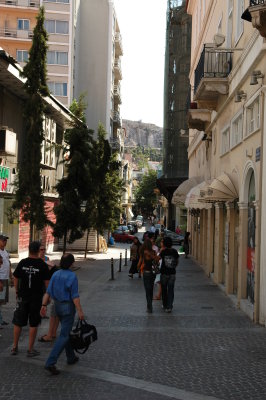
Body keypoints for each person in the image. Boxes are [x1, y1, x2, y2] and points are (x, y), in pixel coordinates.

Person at [40, 253, 85, 375]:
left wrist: (43, 306)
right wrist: (80, 311)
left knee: (66, 332)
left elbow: (48, 292)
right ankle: (50, 362)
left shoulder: (55, 274)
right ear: (71, 263)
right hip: (68, 308)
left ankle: (71, 357)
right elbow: (75, 297)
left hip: (57, 306)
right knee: (64, 335)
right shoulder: (72, 276)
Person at [11, 241, 50, 356]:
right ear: (38, 250)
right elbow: (47, 283)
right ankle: (30, 349)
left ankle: (14, 347)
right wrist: (47, 297)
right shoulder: (42, 264)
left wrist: (17, 291)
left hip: (23, 297)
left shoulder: (23, 262)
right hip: (36, 298)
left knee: (18, 322)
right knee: (33, 323)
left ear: (29, 250)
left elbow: (15, 277)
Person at [38, 245, 59, 343]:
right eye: (41, 250)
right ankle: (52, 333)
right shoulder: (36, 259)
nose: (42, 251)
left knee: (54, 314)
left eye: (43, 249)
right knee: (55, 314)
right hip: (40, 283)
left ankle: (51, 334)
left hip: (48, 285)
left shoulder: (47, 260)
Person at [138, 239, 158, 313]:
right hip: (152, 273)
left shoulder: (144, 252)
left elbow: (140, 261)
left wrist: (138, 267)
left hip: (146, 272)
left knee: (147, 290)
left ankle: (149, 306)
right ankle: (150, 305)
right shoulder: (153, 252)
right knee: (151, 289)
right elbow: (156, 261)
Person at [160, 237, 179, 313]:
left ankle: (165, 305)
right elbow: (177, 261)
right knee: (171, 290)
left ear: (164, 243)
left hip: (164, 273)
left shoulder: (163, 251)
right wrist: (173, 267)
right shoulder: (174, 251)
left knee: (164, 290)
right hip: (172, 273)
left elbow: (157, 259)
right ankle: (169, 307)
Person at [0, 234, 13, 327]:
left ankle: (0, 320)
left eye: (5, 240)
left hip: (5, 278)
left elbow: (9, 264)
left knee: (1, 301)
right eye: (3, 240)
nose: (5, 241)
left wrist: (11, 277)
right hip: (0, 279)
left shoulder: (6, 252)